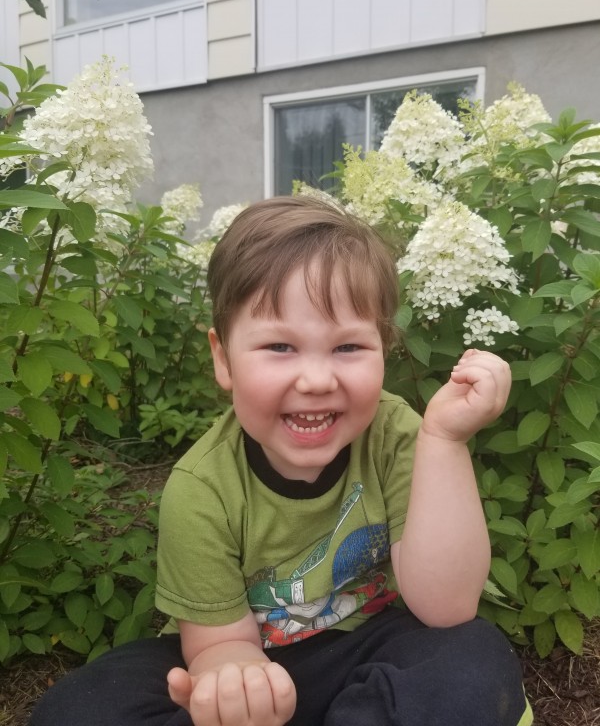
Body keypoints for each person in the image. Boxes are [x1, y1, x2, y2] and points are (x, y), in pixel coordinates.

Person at [30, 195, 533, 726]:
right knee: (79, 708)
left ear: (383, 350)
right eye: (279, 347)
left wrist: (445, 442)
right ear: (224, 359)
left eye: (348, 348)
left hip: (366, 645)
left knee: (470, 658)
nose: (316, 380)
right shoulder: (201, 487)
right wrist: (239, 683)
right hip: (240, 654)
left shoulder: (396, 435)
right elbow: (216, 644)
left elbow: (446, 606)